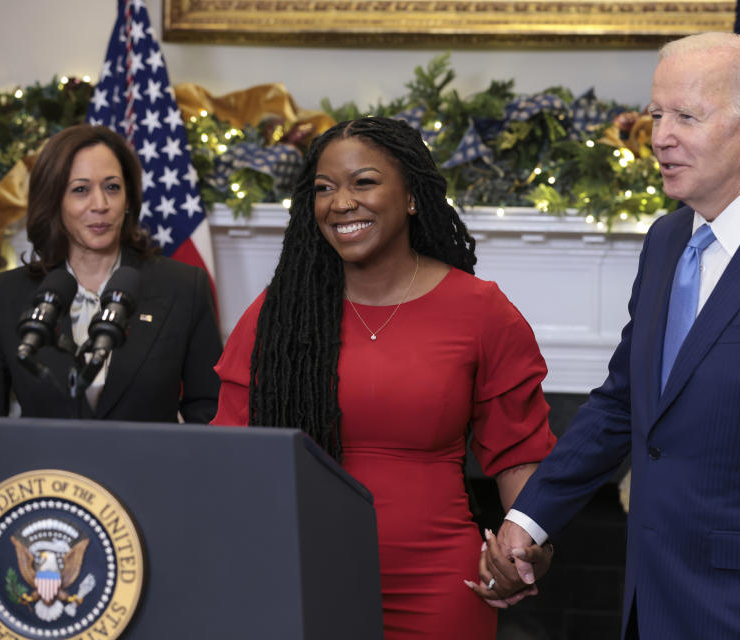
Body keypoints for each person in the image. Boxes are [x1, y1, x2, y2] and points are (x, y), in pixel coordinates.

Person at [472, 32, 740, 639]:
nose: (660, 136)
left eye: (686, 116)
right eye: (656, 115)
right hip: (652, 607)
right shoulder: (667, 242)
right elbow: (624, 403)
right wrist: (529, 517)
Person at [211, 116, 556, 638]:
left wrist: (529, 549)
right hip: (302, 579)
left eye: (363, 182)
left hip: (439, 586)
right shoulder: (279, 315)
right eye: (324, 189)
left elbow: (520, 455)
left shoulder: (480, 310)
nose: (341, 202)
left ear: (413, 197)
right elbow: (231, 458)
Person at [0, 124, 221, 422]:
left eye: (112, 187)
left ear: (129, 198)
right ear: (54, 200)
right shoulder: (3, 295)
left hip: (151, 467)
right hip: (47, 469)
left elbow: (210, 414)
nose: (101, 205)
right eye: (81, 190)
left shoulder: (183, 287)